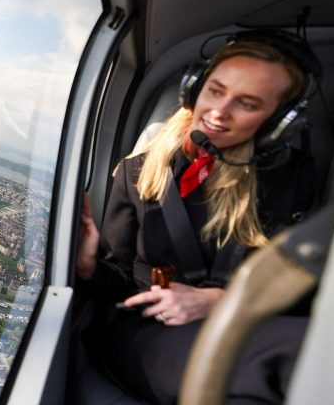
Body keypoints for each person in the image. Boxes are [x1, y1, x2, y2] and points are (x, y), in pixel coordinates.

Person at [77, 31, 319, 404]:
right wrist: (89, 263)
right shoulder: (138, 172)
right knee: (303, 349)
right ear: (194, 89)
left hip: (244, 333)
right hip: (148, 336)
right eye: (215, 90)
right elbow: (118, 285)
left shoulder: (292, 177)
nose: (219, 112)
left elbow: (302, 286)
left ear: (277, 123)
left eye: (248, 104)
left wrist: (216, 301)